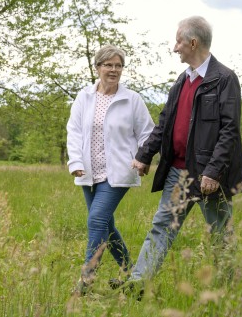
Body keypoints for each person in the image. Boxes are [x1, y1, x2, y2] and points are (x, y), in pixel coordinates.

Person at [119, 16, 242, 293]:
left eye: (178, 41)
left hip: (207, 175)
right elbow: (165, 122)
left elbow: (229, 130)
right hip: (177, 170)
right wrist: (145, 154)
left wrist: (213, 171)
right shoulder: (182, 79)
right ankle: (138, 284)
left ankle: (228, 292)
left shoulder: (224, 79)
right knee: (161, 227)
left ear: (193, 42)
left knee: (220, 233)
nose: (174, 47)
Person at [66, 44, 154, 295]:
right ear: (98, 68)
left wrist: (142, 158)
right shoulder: (84, 96)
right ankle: (131, 275)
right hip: (88, 172)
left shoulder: (132, 99)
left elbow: (148, 133)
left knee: (96, 220)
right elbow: (74, 131)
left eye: (118, 65)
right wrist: (75, 162)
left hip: (118, 173)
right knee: (106, 226)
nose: (113, 70)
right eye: (108, 65)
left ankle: (86, 280)